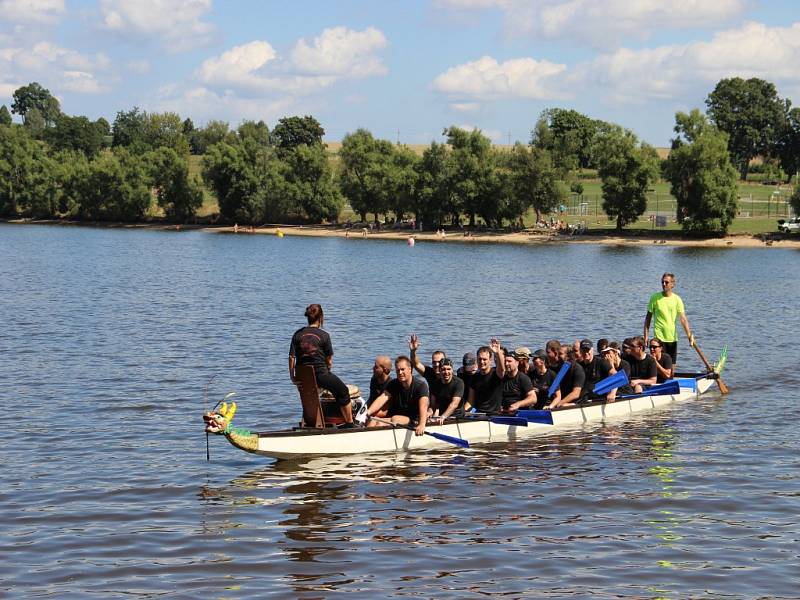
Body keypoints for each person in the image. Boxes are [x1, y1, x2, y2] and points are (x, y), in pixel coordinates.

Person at [289, 303, 353, 425]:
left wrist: (293, 377)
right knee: (343, 391)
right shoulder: (325, 335)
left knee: (311, 395)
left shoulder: (297, 334)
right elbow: (329, 361)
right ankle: (350, 424)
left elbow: (292, 358)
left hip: (303, 377)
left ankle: (309, 422)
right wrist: (328, 371)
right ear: (321, 318)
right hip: (320, 374)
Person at [366, 356, 430, 435]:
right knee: (373, 421)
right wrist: (367, 412)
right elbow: (382, 398)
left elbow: (423, 407)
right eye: (398, 370)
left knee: (391, 420)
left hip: (414, 419)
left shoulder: (420, 386)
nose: (400, 373)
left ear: (410, 369)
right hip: (397, 418)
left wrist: (422, 425)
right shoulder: (394, 384)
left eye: (402, 369)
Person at [644, 272, 695, 369]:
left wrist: (689, 336)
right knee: (660, 366)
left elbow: (683, 319)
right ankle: (656, 380)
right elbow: (648, 319)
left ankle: (670, 381)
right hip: (659, 338)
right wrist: (646, 336)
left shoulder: (677, 299)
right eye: (662, 282)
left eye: (666, 282)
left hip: (672, 337)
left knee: (671, 370)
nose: (664, 284)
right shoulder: (655, 298)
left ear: (672, 284)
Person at [464, 339, 505, 414]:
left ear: (490, 360)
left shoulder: (496, 374)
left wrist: (497, 352)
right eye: (479, 359)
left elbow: (502, 368)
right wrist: (462, 411)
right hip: (478, 414)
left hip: (494, 414)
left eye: (484, 359)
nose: (482, 362)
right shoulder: (474, 377)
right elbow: (470, 402)